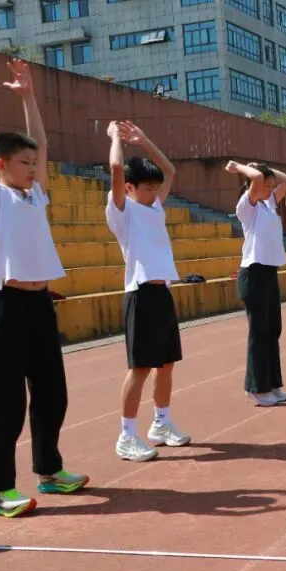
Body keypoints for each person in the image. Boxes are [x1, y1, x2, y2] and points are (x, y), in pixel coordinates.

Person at [0, 55, 88, 517]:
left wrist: (29, 98)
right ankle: (1, 491)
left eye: (35, 164)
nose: (34, 168)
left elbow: (40, 141)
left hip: (40, 304)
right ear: (1, 166)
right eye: (24, 164)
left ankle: (50, 471)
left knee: (52, 393)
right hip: (6, 307)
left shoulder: (34, 193)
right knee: (6, 402)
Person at [106, 120, 189, 462]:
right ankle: (126, 435)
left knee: (166, 365)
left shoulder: (154, 208)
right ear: (128, 188)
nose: (155, 193)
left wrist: (145, 140)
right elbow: (114, 167)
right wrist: (116, 139)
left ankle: (161, 424)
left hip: (161, 293)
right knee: (140, 369)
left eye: (156, 188)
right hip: (139, 295)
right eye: (148, 188)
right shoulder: (121, 213)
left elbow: (170, 170)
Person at [226, 160, 286, 406]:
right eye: (267, 185)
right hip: (253, 274)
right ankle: (256, 387)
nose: (271, 188)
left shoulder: (269, 205)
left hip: (269, 272)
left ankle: (272, 383)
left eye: (271, 185)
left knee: (273, 329)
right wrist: (244, 167)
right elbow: (254, 180)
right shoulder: (248, 205)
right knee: (259, 331)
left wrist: (265, 168)